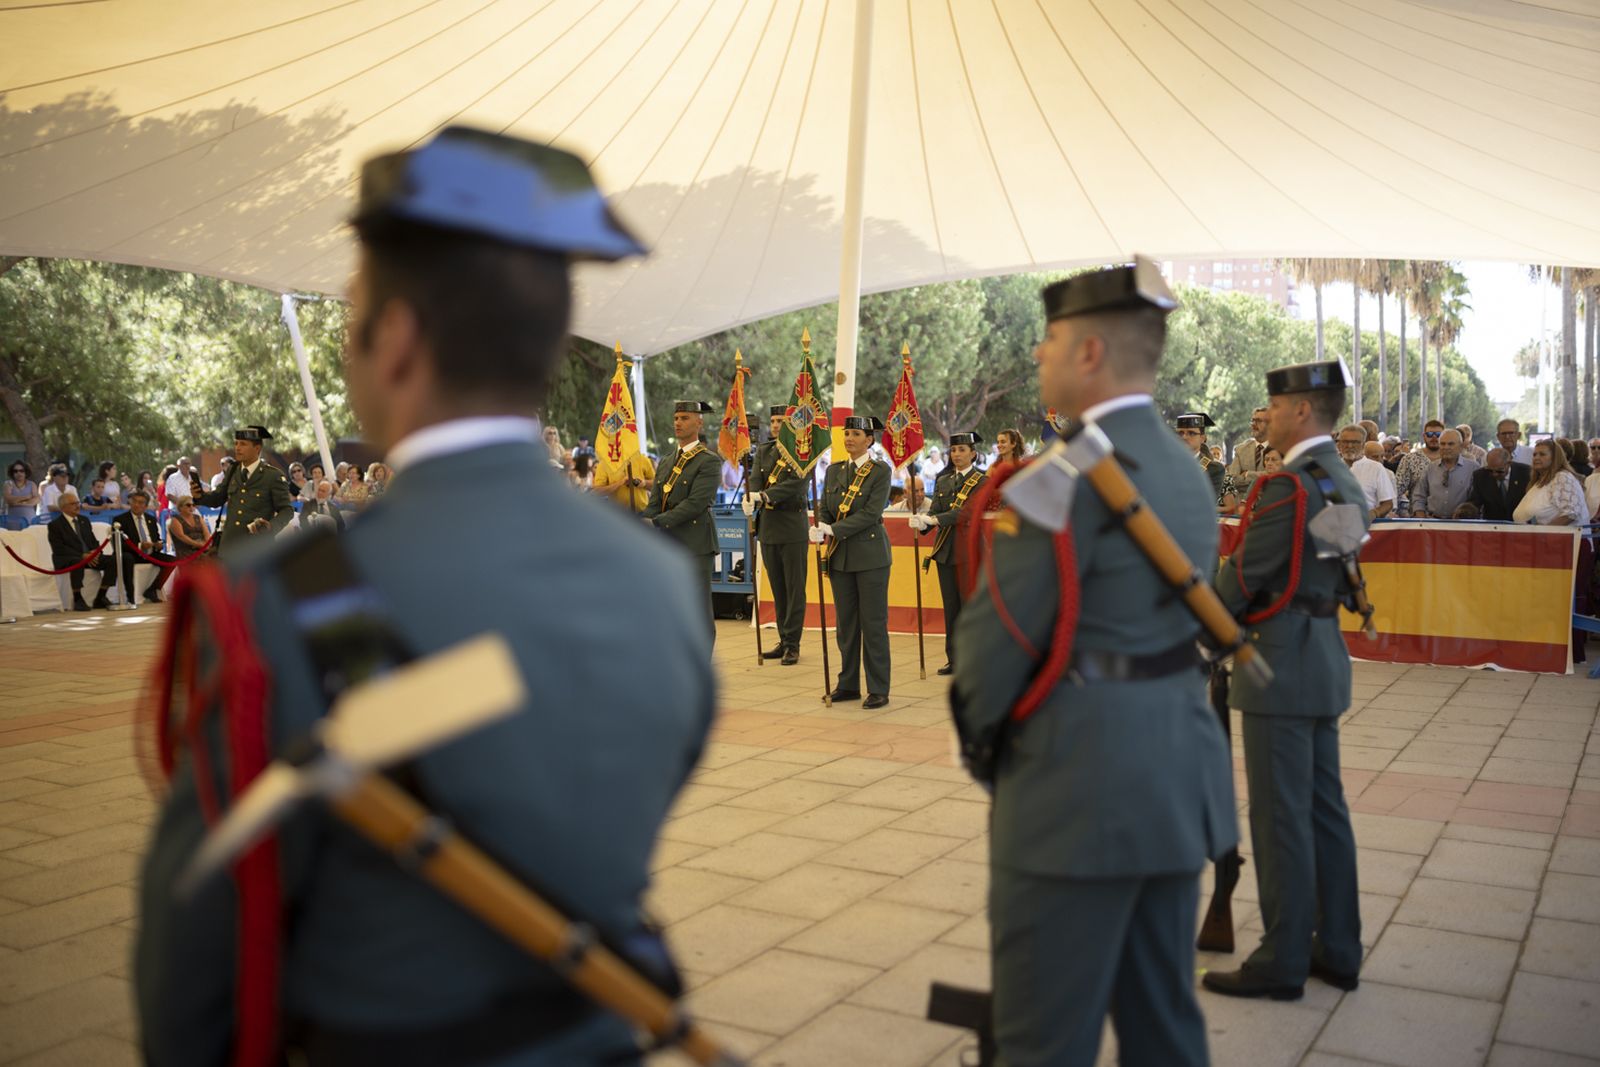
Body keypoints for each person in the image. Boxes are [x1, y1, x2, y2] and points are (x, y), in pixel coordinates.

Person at [137, 126, 711, 1067]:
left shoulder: (286, 595)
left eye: (353, 316)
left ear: (396, 339)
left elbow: (200, 944)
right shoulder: (660, 582)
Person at [954, 260, 1234, 1066]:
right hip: (1176, 773)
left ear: (1088, 352)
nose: (1037, 355)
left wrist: (990, 754)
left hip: (1074, 790)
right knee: (1165, 1024)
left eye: (1049, 340)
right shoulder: (1186, 470)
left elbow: (994, 648)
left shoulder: (1062, 475)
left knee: (1042, 1038)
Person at [1205, 358, 1365, 1003]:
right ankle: (1338, 949)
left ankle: (1281, 958)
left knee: (1280, 819)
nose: (1265, 416)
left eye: (1273, 406)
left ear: (1301, 410)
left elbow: (1242, 580)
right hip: (1319, 655)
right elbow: (1332, 566)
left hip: (1276, 662)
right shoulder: (1340, 479)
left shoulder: (1289, 487)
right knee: (1325, 811)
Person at [813, 415, 892, 708]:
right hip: (840, 557)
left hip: (870, 556)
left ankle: (878, 688)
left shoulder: (880, 471)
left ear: (869, 440)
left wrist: (833, 529)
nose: (849, 438)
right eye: (847, 433)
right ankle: (848, 684)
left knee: (873, 624)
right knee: (846, 625)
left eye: (856, 434)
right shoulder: (834, 470)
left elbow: (871, 513)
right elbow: (826, 507)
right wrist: (821, 525)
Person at [910, 431, 985, 676]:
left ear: (973, 454)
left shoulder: (982, 481)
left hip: (969, 552)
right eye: (953, 450)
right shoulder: (943, 481)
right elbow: (937, 511)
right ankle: (954, 659)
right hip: (945, 552)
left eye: (962, 450)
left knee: (970, 607)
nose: (957, 454)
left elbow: (966, 513)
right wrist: (922, 523)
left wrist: (933, 520)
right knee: (951, 608)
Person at [643, 400, 719, 635]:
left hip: (695, 543)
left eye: (685, 418)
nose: (678, 423)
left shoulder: (708, 460)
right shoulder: (667, 460)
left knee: (697, 610)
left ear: (699, 423)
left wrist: (656, 522)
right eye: (676, 418)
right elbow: (655, 502)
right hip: (668, 544)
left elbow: (696, 503)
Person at [746, 405, 810, 666]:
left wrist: (764, 495)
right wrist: (751, 496)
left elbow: (797, 483)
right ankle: (783, 639)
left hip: (792, 525)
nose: (775, 425)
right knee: (778, 589)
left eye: (781, 421)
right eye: (773, 421)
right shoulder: (765, 450)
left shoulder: (802, 452)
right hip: (769, 526)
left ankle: (793, 644)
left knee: (794, 589)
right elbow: (754, 478)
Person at [195, 426, 295, 556]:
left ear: (257, 448)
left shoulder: (273, 476)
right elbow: (218, 497)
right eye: (236, 443)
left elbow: (287, 510)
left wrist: (271, 527)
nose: (237, 448)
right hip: (229, 546)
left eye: (243, 444)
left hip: (257, 548)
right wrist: (200, 496)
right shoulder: (233, 470)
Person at [47, 492, 116, 611]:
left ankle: (101, 596)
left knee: (113, 560)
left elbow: (93, 541)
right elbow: (59, 548)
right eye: (73, 504)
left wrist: (94, 553)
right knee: (77, 561)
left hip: (89, 557)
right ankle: (77, 598)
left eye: (77, 503)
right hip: (68, 558)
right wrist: (83, 555)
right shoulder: (55, 525)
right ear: (63, 507)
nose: (77, 506)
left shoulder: (84, 520)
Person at [114, 490, 175, 604]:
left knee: (172, 560)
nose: (136, 505)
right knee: (127, 558)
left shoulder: (151, 519)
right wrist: (139, 546)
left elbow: (156, 538)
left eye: (140, 502)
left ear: (146, 506)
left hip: (150, 552)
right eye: (134, 501)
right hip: (132, 553)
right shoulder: (120, 519)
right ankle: (130, 596)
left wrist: (158, 545)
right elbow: (119, 543)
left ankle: (153, 589)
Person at [1410, 428, 1479, 519]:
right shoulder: (1430, 468)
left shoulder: (1473, 468)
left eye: (1451, 444)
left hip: (1462, 524)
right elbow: (1418, 496)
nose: (1446, 447)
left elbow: (1478, 501)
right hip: (1433, 522)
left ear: (1461, 446)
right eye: (1442, 444)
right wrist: (1422, 519)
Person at [1515, 440, 1586, 526]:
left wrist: (1544, 532)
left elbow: (1572, 513)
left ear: (1555, 458)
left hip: (1560, 535)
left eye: (1542, 454)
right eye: (1534, 454)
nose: (1536, 458)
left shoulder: (1562, 477)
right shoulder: (1539, 481)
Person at [1175, 412, 1235, 513]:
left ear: (1202, 438)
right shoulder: (1165, 464)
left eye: (1191, 433)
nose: (1184, 437)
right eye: (1180, 433)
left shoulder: (1213, 468)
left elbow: (1204, 503)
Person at [1336, 424, 1395, 520]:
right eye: (1345, 442)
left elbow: (1388, 504)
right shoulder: (1330, 468)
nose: (1349, 446)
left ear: (1363, 445)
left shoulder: (1376, 468)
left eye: (1355, 442)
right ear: (1339, 445)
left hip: (1367, 526)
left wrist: (1374, 513)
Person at [1395, 419, 1445, 516]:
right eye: (1430, 434)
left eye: (1438, 434)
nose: (1434, 437)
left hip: (1447, 519)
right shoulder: (1410, 459)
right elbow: (1397, 489)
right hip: (1417, 517)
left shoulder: (1450, 459)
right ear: (1424, 436)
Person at [1470, 448, 1531, 522]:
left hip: (1520, 524)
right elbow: (1474, 503)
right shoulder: (1480, 476)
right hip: (1492, 524)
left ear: (1509, 463)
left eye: (1499, 471)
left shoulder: (1526, 473)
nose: (1494, 474)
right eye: (1490, 470)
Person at [1227, 406, 1271, 492]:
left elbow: (1274, 476)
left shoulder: (1279, 449)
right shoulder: (1240, 450)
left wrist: (1247, 474)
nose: (1253, 424)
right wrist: (1262, 478)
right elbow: (1231, 479)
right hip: (1243, 499)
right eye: (1253, 420)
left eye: (1258, 421)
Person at [4, 460, 40, 528]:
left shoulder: (32, 484)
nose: (19, 473)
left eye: (21, 471)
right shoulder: (8, 484)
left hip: (30, 521)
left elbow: (36, 500)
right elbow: (9, 500)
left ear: (26, 472)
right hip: (13, 522)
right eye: (15, 471)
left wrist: (17, 502)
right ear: (12, 473)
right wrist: (27, 497)